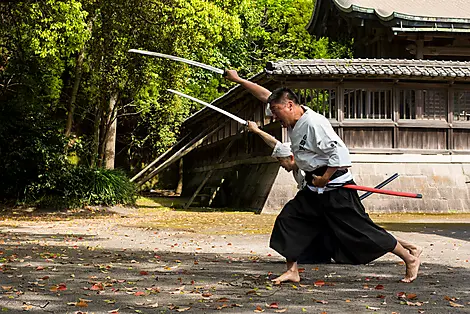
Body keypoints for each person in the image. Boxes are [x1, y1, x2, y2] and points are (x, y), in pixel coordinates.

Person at [225, 70, 421, 284]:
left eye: (276, 111)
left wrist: (325, 178)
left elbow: (340, 154)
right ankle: (292, 270)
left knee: (362, 231)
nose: (273, 116)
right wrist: (239, 80)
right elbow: (266, 96)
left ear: (290, 105)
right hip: (313, 189)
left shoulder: (314, 123)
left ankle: (408, 258)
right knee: (288, 219)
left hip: (335, 187)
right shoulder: (291, 117)